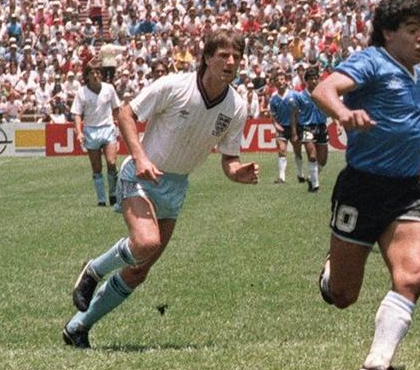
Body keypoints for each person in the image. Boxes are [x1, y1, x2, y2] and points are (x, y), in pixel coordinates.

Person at [64, 29, 260, 348]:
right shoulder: (175, 85)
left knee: (140, 270)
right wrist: (139, 157)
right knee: (146, 242)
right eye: (224, 55)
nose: (231, 61)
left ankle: (78, 327)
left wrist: (238, 173)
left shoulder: (236, 107)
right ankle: (94, 270)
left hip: (176, 186)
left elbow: (230, 159)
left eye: (236, 56)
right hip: (142, 175)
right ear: (208, 58)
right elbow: (126, 113)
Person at [311, 0, 420, 370]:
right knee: (345, 296)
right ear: (387, 33)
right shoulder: (372, 61)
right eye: (413, 31)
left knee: (413, 274)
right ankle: (332, 273)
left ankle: (375, 367)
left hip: (405, 190)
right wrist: (343, 112)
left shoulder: (419, 74)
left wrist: (413, 162)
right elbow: (325, 89)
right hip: (362, 188)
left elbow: (405, 126)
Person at [71, 61, 122, 207]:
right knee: (96, 167)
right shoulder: (82, 92)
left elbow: (116, 109)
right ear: (87, 76)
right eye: (92, 73)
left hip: (107, 128)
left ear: (102, 75)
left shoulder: (109, 89)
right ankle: (101, 199)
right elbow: (77, 114)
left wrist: (121, 126)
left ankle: (113, 194)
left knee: (112, 163)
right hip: (91, 130)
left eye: (98, 73)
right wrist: (79, 132)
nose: (95, 75)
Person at [293, 65, 330, 192]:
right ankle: (315, 186)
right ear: (306, 81)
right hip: (307, 127)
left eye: (316, 78)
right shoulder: (300, 96)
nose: (314, 81)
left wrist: (338, 123)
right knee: (312, 156)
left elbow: (330, 108)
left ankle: (311, 177)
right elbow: (294, 114)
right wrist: (294, 131)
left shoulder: (323, 94)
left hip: (321, 127)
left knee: (323, 160)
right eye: (311, 78)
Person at [266, 69, 301, 184]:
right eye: (277, 80)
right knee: (281, 150)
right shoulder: (273, 98)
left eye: (282, 79)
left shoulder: (294, 94)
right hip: (282, 128)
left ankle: (300, 174)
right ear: (275, 83)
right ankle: (281, 177)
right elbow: (272, 114)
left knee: (297, 151)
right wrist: (275, 125)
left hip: (295, 127)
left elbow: (300, 111)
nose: (280, 82)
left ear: (286, 81)